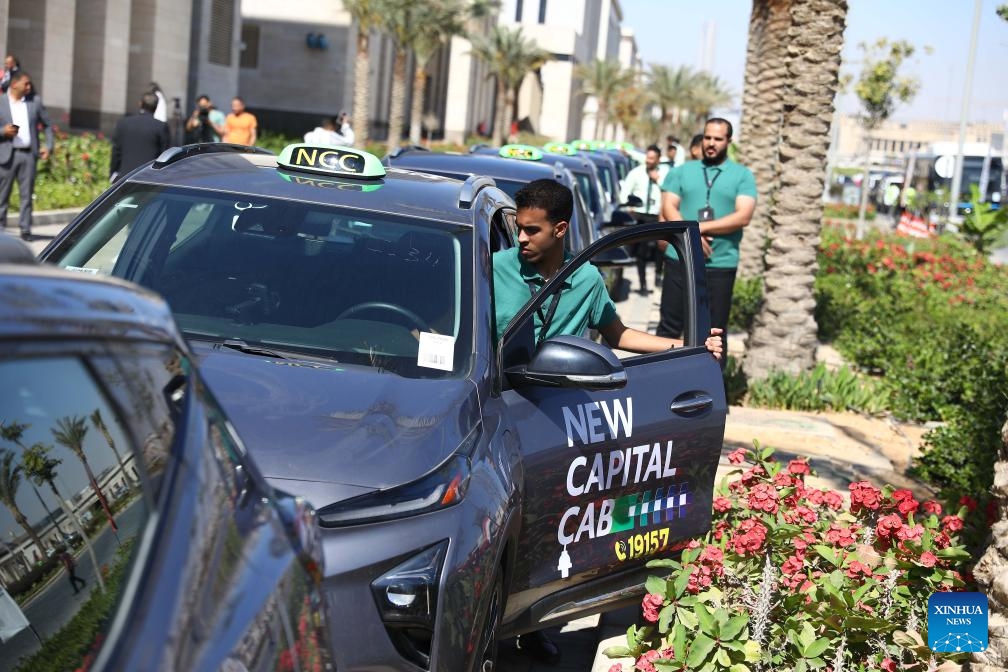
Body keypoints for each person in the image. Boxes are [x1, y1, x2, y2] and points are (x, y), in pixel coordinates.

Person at [493, 179, 722, 664]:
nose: (522, 240)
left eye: (533, 231)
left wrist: (689, 350)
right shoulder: (493, 271)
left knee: (555, 524)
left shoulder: (586, 280)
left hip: (562, 421)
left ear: (560, 229)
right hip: (503, 412)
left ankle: (536, 622)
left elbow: (617, 334)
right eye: (518, 229)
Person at [657, 118, 756, 366]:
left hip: (720, 264)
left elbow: (743, 215)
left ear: (728, 142)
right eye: (708, 137)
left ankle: (710, 396)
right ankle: (659, 388)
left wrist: (698, 229)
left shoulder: (742, 175)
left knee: (714, 332)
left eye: (718, 139)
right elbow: (668, 206)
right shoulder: (681, 171)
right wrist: (691, 237)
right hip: (679, 260)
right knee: (669, 326)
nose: (711, 144)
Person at [0, 71, 54, 241]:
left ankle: (25, 230)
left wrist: (49, 146)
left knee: (26, 194)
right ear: (15, 84)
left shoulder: (34, 102)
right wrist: (3, 131)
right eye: (26, 84)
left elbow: (47, 124)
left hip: (28, 155)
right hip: (6, 154)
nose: (29, 87)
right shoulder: (1, 102)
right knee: (2, 195)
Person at [619, 144, 669, 294]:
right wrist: (630, 208)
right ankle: (642, 284)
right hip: (640, 215)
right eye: (647, 157)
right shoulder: (636, 173)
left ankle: (658, 274)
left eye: (652, 158)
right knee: (641, 251)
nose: (649, 160)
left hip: (657, 215)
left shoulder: (665, 174)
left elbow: (669, 194)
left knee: (660, 248)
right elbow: (624, 193)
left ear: (658, 160)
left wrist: (658, 180)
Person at [110, 91, 170, 181]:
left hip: (124, 178)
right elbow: (165, 154)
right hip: (149, 178)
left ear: (140, 104)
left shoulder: (123, 123)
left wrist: (112, 173)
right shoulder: (161, 126)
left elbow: (116, 152)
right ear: (156, 107)